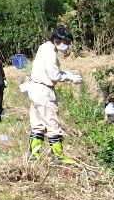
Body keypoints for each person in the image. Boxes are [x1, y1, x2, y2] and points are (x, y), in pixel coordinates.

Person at [26, 27, 82, 163]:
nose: (67, 46)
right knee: (52, 124)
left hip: (34, 88)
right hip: (44, 90)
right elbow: (54, 75)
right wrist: (70, 76)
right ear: (57, 40)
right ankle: (58, 156)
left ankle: (34, 155)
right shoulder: (50, 52)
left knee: (38, 124)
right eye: (66, 42)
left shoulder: (43, 47)